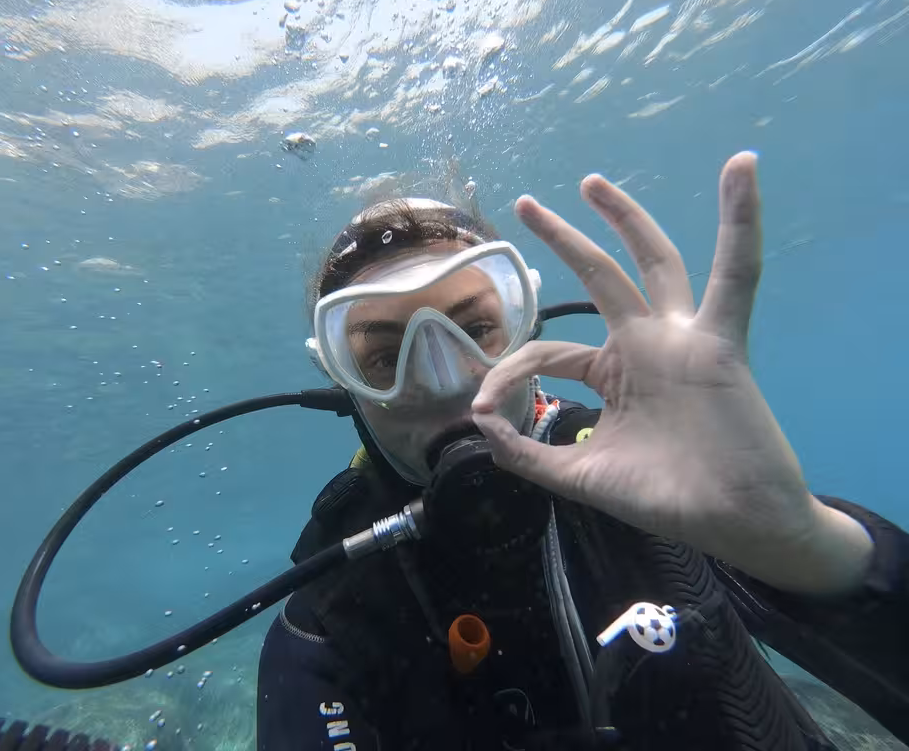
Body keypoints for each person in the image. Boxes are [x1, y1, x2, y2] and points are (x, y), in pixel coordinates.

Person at [256, 152, 909, 750]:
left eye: (478, 327)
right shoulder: (333, 609)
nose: (446, 379)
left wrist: (803, 545)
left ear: (527, 327)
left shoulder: (652, 480)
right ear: (345, 384)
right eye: (383, 355)